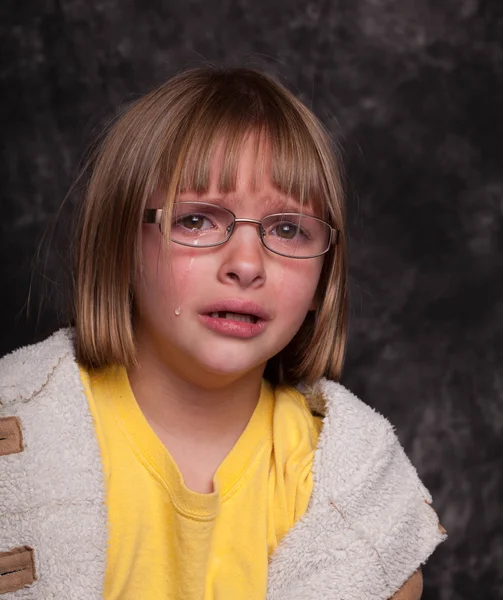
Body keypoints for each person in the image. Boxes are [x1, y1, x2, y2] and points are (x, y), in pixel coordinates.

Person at [0, 66, 445, 599]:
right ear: (119, 244)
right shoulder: (19, 439)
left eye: (288, 229)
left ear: (323, 278)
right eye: (197, 221)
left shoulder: (356, 500)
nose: (247, 264)